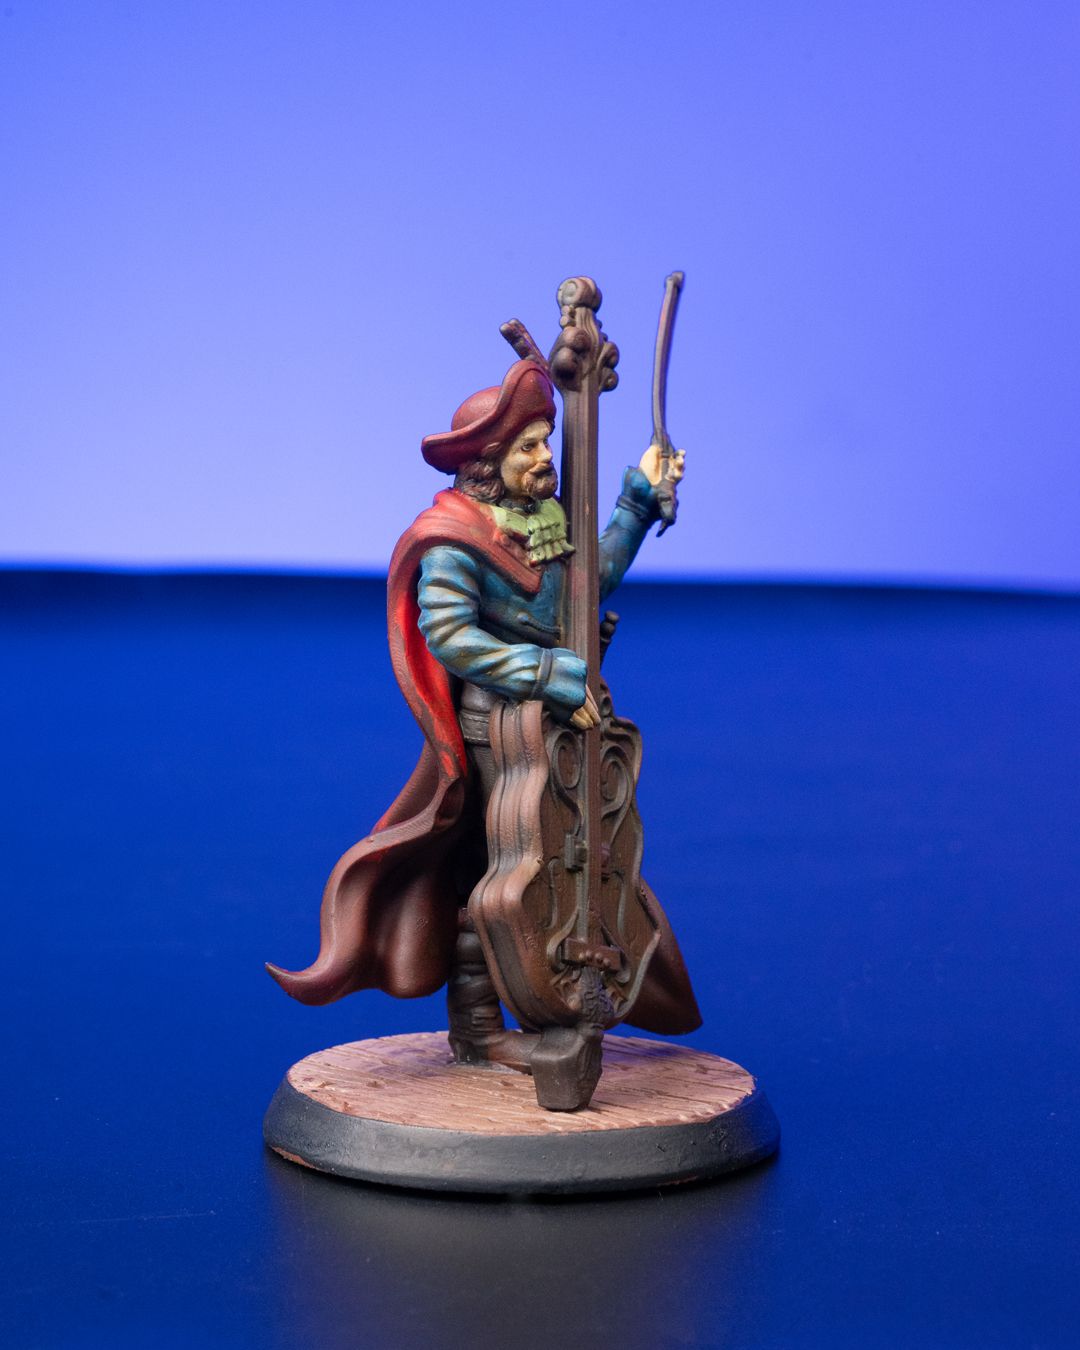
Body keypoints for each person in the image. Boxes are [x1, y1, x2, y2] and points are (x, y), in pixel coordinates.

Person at [268, 360, 700, 1052]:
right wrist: (544, 671)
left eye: (546, 440)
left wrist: (637, 502)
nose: (545, 456)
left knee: (576, 859)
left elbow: (588, 583)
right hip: (498, 731)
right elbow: (451, 635)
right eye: (528, 446)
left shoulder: (545, 518)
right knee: (497, 873)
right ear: (488, 460)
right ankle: (478, 1027)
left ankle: (561, 997)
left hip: (562, 724)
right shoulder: (452, 537)